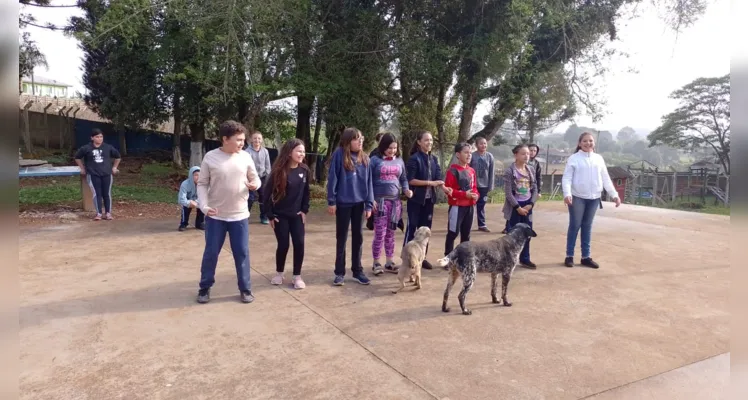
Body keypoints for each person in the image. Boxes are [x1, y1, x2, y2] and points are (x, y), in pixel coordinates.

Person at [195, 120, 261, 304]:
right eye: (238, 140)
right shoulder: (210, 157)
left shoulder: (245, 157)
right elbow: (202, 184)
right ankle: (204, 287)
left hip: (239, 215)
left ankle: (245, 289)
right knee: (211, 253)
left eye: (243, 140)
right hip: (216, 216)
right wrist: (204, 206)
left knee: (242, 253)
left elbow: (255, 179)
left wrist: (255, 185)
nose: (242, 143)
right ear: (225, 139)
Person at [562, 131, 621, 269]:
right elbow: (567, 178)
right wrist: (567, 193)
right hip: (577, 197)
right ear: (579, 143)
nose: (588, 143)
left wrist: (614, 195)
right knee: (575, 226)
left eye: (591, 141)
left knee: (587, 227)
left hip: (594, 198)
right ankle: (569, 256)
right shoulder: (574, 158)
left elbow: (605, 178)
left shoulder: (599, 159)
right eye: (585, 141)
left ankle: (586, 257)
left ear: (594, 143)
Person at [327, 127, 375, 286]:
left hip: (359, 205)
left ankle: (357, 270)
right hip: (343, 203)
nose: (360, 141)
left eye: (361, 138)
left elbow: (369, 184)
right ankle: (339, 272)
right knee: (341, 238)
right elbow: (332, 178)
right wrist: (331, 201)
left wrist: (369, 205)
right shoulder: (339, 155)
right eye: (356, 139)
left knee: (358, 237)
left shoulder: (365, 158)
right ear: (348, 141)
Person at [264, 139, 310, 290]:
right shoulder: (278, 171)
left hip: (296, 215)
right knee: (283, 244)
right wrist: (270, 215)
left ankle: (297, 276)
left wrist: (304, 210)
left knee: (300, 243)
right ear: (289, 152)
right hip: (280, 216)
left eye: (303, 151)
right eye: (298, 151)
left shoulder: (304, 170)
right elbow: (267, 193)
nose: (301, 154)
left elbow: (306, 193)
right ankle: (279, 273)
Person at [404, 130, 451, 270]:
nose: (429, 143)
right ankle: (407, 259)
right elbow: (410, 180)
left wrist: (444, 188)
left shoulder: (433, 159)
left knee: (425, 231)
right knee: (412, 228)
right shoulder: (414, 159)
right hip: (416, 200)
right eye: (426, 140)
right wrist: (430, 183)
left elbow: (438, 178)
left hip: (429, 201)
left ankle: (422, 258)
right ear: (419, 142)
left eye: (431, 140)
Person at [370, 133, 412, 275]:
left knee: (390, 233)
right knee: (379, 234)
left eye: (394, 148)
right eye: (389, 148)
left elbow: (404, 178)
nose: (392, 151)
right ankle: (376, 262)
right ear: (383, 147)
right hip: (379, 203)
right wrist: (370, 199)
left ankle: (389, 261)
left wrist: (406, 189)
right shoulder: (374, 161)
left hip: (395, 203)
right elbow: (367, 182)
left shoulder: (399, 161)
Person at [502, 144, 539, 269]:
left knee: (527, 233)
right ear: (516, 155)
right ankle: (508, 259)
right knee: (512, 235)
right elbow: (508, 193)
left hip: (528, 206)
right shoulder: (510, 171)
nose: (526, 156)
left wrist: (531, 204)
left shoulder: (531, 170)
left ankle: (525, 259)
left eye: (528, 154)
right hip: (515, 207)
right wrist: (517, 207)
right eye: (523, 154)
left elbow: (535, 189)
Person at [74, 129, 121, 221]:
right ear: (92, 138)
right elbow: (77, 157)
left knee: (107, 193)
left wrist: (114, 167)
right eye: (97, 137)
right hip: (93, 174)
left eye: (101, 137)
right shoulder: (86, 148)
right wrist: (82, 168)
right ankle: (99, 213)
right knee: (97, 194)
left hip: (107, 174)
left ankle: (108, 213)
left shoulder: (108, 147)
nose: (99, 139)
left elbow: (118, 156)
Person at [443, 142, 478, 257]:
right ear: (458, 154)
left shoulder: (471, 171)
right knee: (453, 233)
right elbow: (448, 190)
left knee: (466, 234)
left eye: (470, 153)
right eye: (466, 153)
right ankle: (448, 257)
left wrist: (476, 195)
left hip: (470, 207)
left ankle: (464, 257)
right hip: (457, 207)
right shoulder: (452, 171)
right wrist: (464, 195)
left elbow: (474, 188)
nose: (469, 155)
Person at [245, 130, 272, 224]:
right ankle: (245, 217)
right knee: (250, 198)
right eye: (255, 138)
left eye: (259, 138)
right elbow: (245, 166)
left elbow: (268, 166)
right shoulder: (247, 152)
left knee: (264, 197)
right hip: (251, 178)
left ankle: (264, 217)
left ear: (262, 140)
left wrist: (268, 177)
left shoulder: (265, 151)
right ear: (251, 140)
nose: (257, 140)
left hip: (263, 178)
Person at [470, 136, 495, 232]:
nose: (483, 145)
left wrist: (490, 185)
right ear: (476, 145)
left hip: (484, 186)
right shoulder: (472, 156)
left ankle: (482, 225)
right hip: (474, 186)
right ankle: (467, 224)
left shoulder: (490, 156)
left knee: (481, 206)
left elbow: (491, 172)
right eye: (481, 143)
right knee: (471, 206)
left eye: (485, 143)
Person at [177, 166, 205, 231]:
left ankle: (200, 223)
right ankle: (183, 223)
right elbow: (181, 199)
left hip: (198, 201)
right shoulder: (185, 184)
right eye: (195, 175)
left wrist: (196, 202)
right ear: (191, 175)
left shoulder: (204, 184)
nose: (198, 177)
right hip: (188, 201)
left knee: (203, 204)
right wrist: (189, 202)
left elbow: (205, 196)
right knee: (185, 208)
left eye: (200, 175)